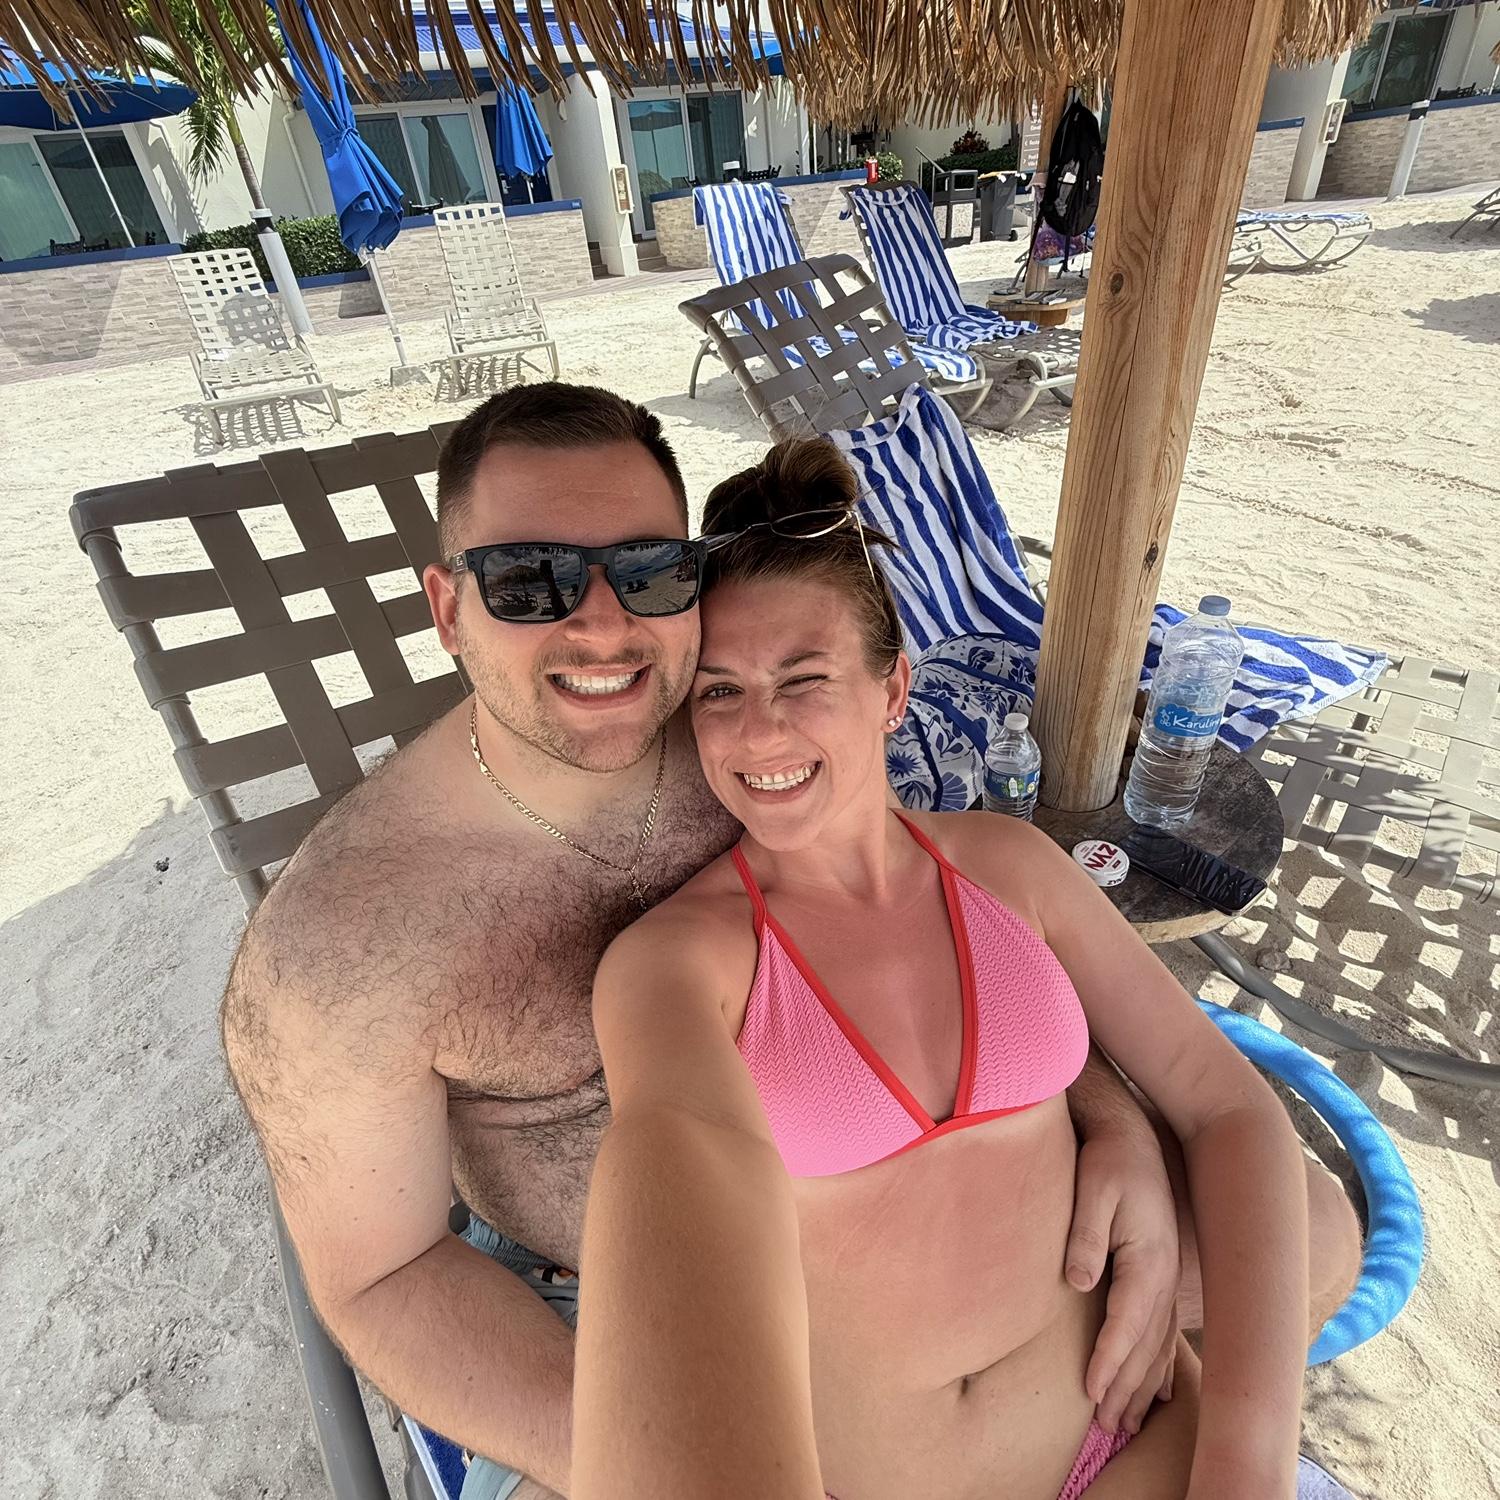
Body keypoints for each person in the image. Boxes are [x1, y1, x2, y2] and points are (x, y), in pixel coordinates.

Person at [220, 382, 1358, 1499]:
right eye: (528, 580)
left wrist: (1104, 1117)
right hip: (636, 1334)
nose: (603, 626)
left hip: (1015, 1267)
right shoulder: (344, 947)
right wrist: (659, 1451)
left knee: (1311, 1229)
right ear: (447, 606)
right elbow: (384, 1276)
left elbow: (956, 943)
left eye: (649, 570)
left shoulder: (725, 726)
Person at [576, 439, 1340, 1500]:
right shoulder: (677, 963)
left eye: (805, 679)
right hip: (882, 1475)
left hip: (1131, 1433)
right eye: (719, 693)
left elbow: (1226, 1105)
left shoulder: (1005, 864)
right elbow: (661, 1223)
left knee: (1323, 1226)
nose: (760, 729)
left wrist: (1245, 1460)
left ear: (893, 689)